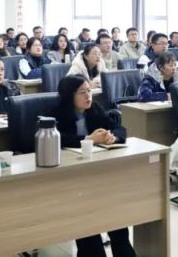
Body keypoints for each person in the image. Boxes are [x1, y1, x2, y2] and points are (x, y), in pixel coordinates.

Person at [52, 75, 134, 257]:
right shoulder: (56, 113)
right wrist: (87, 139)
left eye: (89, 91)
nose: (88, 96)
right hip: (69, 175)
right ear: (69, 95)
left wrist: (113, 137)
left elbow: (120, 129)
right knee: (87, 222)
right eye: (82, 92)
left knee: (115, 215)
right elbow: (57, 139)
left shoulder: (95, 109)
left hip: (96, 173)